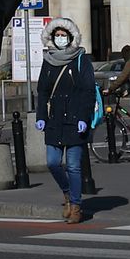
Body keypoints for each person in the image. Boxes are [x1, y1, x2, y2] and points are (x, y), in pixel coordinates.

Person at [35, 17, 96, 224]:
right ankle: (68, 193)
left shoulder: (80, 60)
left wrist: (83, 118)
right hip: (54, 120)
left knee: (73, 166)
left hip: (75, 118)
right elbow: (42, 91)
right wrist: (41, 116)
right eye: (57, 35)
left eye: (64, 35)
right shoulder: (48, 60)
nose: (60, 38)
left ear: (71, 38)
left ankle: (76, 206)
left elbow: (88, 91)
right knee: (52, 162)